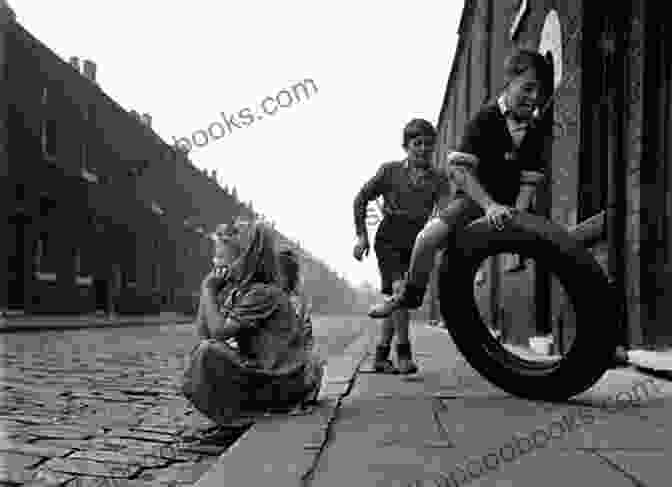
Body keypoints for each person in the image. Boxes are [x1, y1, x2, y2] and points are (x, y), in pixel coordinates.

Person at [368, 48, 552, 319]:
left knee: (555, 243)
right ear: (509, 82)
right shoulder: (485, 119)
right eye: (527, 89)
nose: (534, 98)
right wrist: (489, 206)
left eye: (539, 91)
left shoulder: (535, 130)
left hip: (512, 205)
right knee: (426, 239)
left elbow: (528, 181)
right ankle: (409, 293)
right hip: (475, 200)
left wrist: (519, 217)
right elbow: (459, 172)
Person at [181, 219, 325, 434]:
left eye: (221, 257)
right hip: (275, 377)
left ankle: (249, 414)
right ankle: (246, 411)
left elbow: (217, 335)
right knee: (205, 351)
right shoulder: (241, 294)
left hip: (284, 381)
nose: (215, 263)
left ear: (244, 260)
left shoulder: (262, 293)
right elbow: (206, 334)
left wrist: (208, 290)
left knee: (207, 354)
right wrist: (208, 293)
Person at [353, 118, 454, 374]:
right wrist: (361, 236)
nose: (423, 149)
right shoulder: (389, 171)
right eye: (417, 144)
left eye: (428, 144)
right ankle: (404, 352)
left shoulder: (440, 180)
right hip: (389, 237)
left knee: (397, 300)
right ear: (406, 146)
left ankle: (380, 355)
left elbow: (444, 213)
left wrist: (440, 237)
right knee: (400, 292)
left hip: (418, 240)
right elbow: (361, 199)